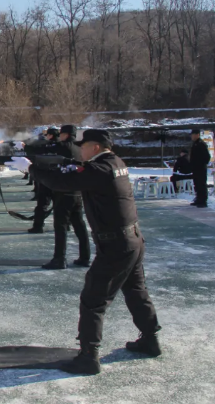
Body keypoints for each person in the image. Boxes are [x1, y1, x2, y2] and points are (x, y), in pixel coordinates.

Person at [27, 129, 161, 375]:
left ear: (96, 147)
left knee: (93, 300)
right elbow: (80, 174)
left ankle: (88, 357)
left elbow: (61, 183)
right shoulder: (115, 163)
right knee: (136, 291)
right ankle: (150, 339)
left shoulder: (99, 169)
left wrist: (31, 169)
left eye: (84, 146)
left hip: (115, 245)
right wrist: (69, 165)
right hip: (132, 240)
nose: (81, 149)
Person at [41, 125, 91, 270]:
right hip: (77, 192)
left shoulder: (62, 147)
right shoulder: (78, 148)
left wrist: (25, 147)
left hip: (63, 191)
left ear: (66, 134)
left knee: (60, 226)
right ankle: (85, 257)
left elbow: (43, 152)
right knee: (79, 226)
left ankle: (59, 259)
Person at [25, 128, 59, 233]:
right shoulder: (63, 146)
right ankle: (64, 225)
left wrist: (24, 147)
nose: (46, 137)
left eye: (47, 135)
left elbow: (38, 151)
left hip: (48, 178)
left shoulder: (50, 146)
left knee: (42, 204)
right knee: (60, 206)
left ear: (51, 135)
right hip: (61, 180)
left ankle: (38, 226)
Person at [189, 129, 211, 208]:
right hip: (195, 168)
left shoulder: (201, 144)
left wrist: (201, 164)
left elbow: (207, 157)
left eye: (193, 134)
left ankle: (203, 201)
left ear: (197, 135)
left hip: (200, 168)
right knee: (197, 184)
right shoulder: (195, 144)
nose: (192, 136)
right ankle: (198, 199)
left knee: (201, 184)